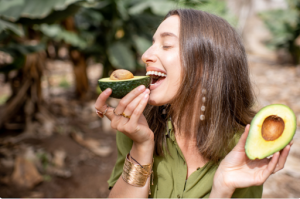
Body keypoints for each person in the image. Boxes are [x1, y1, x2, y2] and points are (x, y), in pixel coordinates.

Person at [95, 9, 292, 198]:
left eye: (166, 45)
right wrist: (141, 147)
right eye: (152, 43)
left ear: (206, 65)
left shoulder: (245, 144)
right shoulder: (136, 126)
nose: (145, 55)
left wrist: (222, 190)